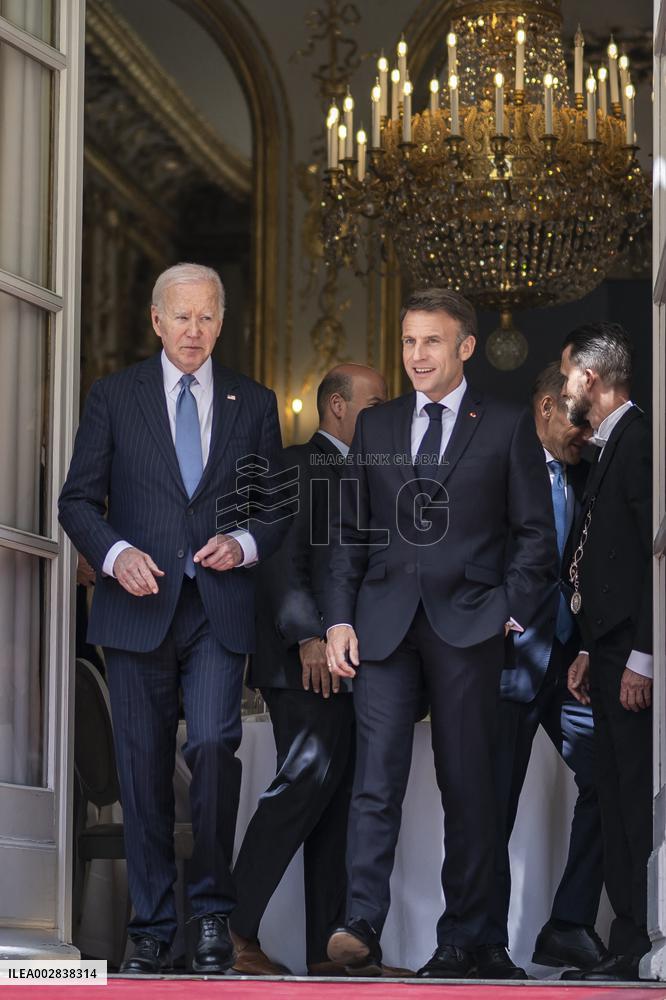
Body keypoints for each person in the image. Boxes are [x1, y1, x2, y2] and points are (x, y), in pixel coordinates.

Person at [59, 263, 287, 975]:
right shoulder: (112, 397)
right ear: (156, 321)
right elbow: (76, 501)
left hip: (215, 610)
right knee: (143, 768)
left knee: (216, 746)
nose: (195, 330)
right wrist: (116, 551)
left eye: (207, 317)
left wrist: (243, 543)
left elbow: (275, 509)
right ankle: (153, 927)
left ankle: (214, 914)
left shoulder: (253, 402)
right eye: (181, 317)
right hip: (136, 607)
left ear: (222, 322)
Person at [324, 287, 557, 979]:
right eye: (408, 341)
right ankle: (360, 923)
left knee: (469, 786)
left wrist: (506, 609)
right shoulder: (377, 426)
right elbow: (346, 534)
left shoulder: (507, 424)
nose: (416, 355)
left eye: (431, 341)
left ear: (464, 347)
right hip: (383, 628)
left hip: (470, 626)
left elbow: (536, 537)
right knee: (375, 782)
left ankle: (465, 937)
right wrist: (337, 618)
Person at [230, 364, 388, 976]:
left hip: (349, 662)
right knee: (302, 784)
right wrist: (307, 637)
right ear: (339, 407)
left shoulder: (366, 473)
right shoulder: (294, 464)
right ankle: (234, 929)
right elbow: (276, 561)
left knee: (335, 801)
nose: (385, 414)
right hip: (304, 658)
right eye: (375, 404)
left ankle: (332, 954)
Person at [486, 362, 606, 971]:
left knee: (613, 777)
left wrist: (588, 643)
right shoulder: (501, 465)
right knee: (493, 807)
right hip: (507, 658)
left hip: (569, 664)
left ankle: (569, 920)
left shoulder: (591, 477)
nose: (588, 434)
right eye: (580, 422)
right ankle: (485, 946)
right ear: (546, 409)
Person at [558, 322, 652, 982]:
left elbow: (653, 561)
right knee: (617, 797)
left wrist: (644, 654)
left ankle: (641, 936)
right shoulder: (613, 444)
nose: (564, 389)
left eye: (566, 375)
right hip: (609, 648)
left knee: (631, 800)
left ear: (590, 378)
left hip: (636, 657)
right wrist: (594, 647)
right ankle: (626, 940)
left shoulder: (643, 441)